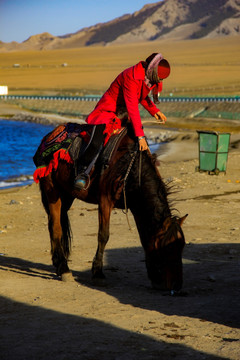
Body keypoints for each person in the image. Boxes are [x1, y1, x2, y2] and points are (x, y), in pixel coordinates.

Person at [74, 52, 170, 190]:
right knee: (97, 142)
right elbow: (132, 107)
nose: (159, 81)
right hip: (107, 111)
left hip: (123, 113)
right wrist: (140, 135)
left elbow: (142, 96)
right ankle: (82, 172)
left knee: (133, 144)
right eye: (159, 77)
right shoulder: (131, 76)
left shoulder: (146, 77)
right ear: (152, 70)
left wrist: (155, 111)